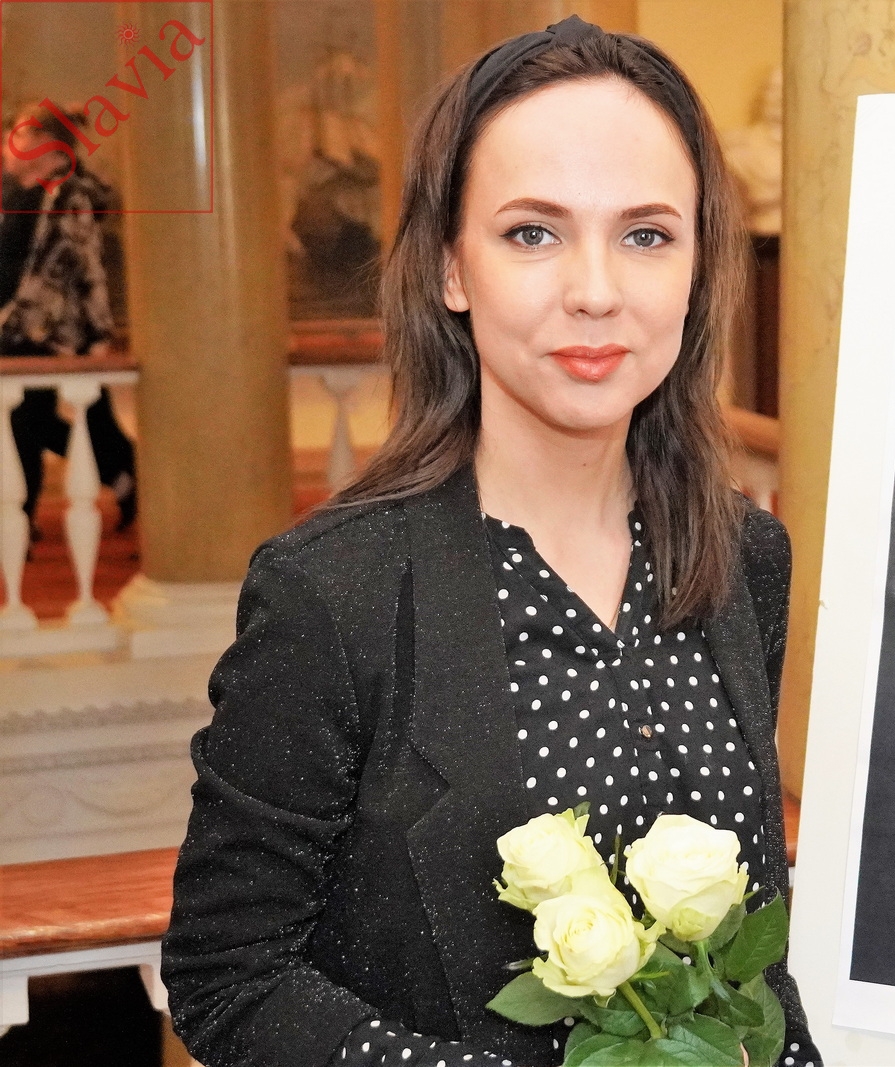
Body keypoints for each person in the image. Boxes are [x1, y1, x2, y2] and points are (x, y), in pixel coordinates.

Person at [161, 18, 819, 1067]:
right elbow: (228, 975)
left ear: (700, 268)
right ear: (450, 268)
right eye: (532, 233)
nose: (595, 290)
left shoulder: (744, 559)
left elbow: (750, 966)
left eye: (647, 235)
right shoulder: (334, 594)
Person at [1, 101, 137, 531]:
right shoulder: (30, 192)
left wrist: (98, 335)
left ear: (45, 143)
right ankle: (126, 475)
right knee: (40, 421)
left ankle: (20, 522)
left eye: (19, 134)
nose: (8, 144)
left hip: (49, 332)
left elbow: (87, 269)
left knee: (28, 422)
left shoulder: (70, 194)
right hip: (28, 328)